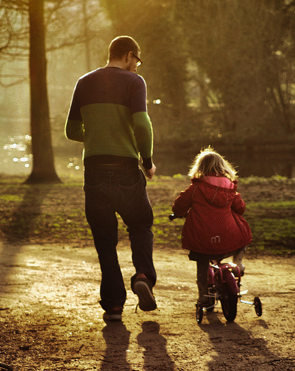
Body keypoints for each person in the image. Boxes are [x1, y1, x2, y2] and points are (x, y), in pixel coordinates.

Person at [65, 36, 157, 321]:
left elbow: (71, 130)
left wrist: (96, 134)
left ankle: (114, 305)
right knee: (140, 224)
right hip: (126, 169)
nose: (137, 67)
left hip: (94, 171)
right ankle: (142, 275)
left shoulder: (84, 82)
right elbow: (142, 123)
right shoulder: (134, 82)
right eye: (137, 61)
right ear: (129, 55)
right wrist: (148, 161)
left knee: (105, 240)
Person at [171, 146, 252, 305]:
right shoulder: (230, 187)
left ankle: (203, 296)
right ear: (222, 166)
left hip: (203, 240)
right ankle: (239, 260)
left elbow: (178, 207)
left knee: (202, 263)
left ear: (200, 168)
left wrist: (179, 213)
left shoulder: (195, 189)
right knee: (243, 229)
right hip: (228, 239)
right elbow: (241, 209)